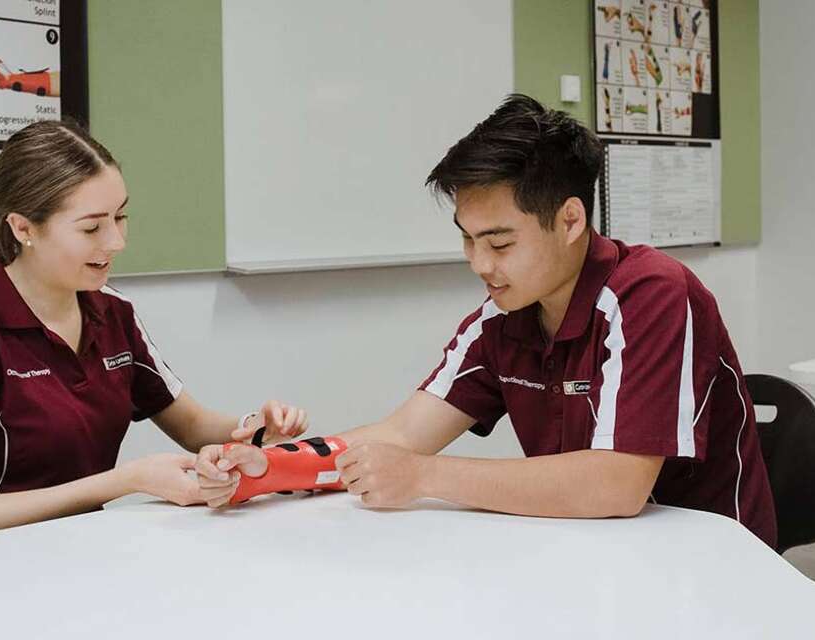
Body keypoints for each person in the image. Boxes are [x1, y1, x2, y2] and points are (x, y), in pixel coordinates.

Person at [196, 94, 778, 548]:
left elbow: (617, 484)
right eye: (469, 241)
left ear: (571, 220)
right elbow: (400, 436)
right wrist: (269, 468)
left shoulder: (651, 293)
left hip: (707, 559)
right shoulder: (502, 316)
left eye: (499, 242)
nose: (479, 264)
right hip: (586, 546)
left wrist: (423, 477)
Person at [0, 119, 308, 543]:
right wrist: (128, 480)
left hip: (79, 551)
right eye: (91, 227)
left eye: (121, 217)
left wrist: (257, 429)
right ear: (23, 228)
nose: (116, 241)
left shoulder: (112, 308)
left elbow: (191, 426)